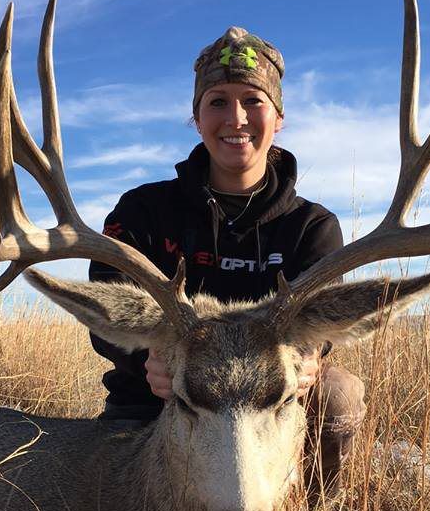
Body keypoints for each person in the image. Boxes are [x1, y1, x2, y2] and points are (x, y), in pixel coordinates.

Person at [89, 26, 366, 484]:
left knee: (337, 394)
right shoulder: (142, 212)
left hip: (265, 409)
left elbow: (320, 326)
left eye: (253, 101)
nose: (235, 118)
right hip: (155, 402)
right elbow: (106, 313)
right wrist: (149, 364)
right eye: (217, 101)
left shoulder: (311, 228)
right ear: (196, 118)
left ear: (278, 118)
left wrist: (309, 355)